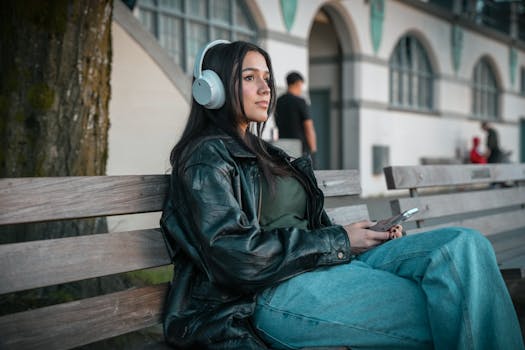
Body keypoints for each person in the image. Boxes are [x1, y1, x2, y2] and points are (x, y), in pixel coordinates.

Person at [160, 40, 524, 349]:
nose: (265, 88)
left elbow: (306, 225)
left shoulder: (267, 152)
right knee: (461, 302)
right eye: (249, 78)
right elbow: (234, 256)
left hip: (328, 265)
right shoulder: (205, 158)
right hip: (268, 294)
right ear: (213, 88)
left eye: (267, 78)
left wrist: (363, 235)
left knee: (464, 245)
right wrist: (339, 241)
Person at [274, 71, 317, 157]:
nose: (301, 89)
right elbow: (308, 127)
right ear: (297, 83)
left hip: (283, 147)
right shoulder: (300, 102)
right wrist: (313, 150)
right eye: (301, 85)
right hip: (300, 148)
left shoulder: (279, 101)